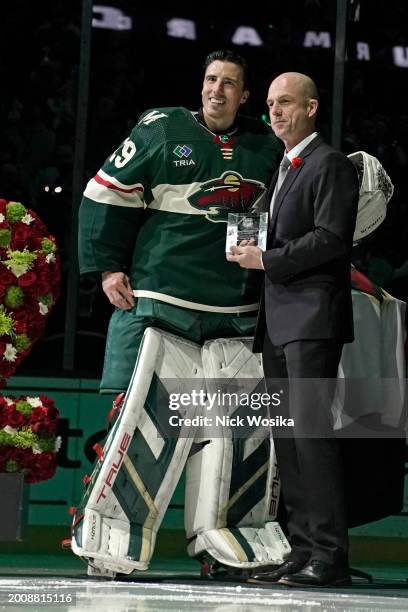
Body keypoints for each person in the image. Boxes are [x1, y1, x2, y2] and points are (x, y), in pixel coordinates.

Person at [78, 49, 282, 394]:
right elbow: (104, 194)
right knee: (133, 421)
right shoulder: (162, 128)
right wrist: (109, 269)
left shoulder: (267, 144)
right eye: (211, 79)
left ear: (244, 95)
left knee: (226, 432)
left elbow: (275, 213)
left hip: (237, 312)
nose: (217, 89)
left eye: (229, 83)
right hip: (160, 301)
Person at [227, 72, 359, 587]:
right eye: (269, 104)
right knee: (289, 440)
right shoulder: (283, 166)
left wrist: (268, 258)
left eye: (285, 103)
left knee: (311, 437)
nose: (275, 111)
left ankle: (330, 554)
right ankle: (303, 549)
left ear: (311, 108)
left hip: (310, 320)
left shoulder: (329, 163)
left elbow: (332, 238)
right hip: (281, 322)